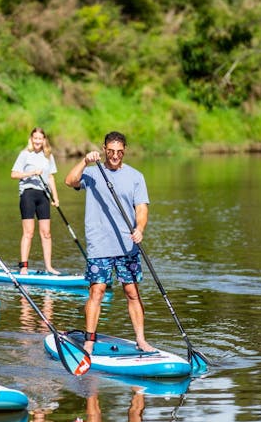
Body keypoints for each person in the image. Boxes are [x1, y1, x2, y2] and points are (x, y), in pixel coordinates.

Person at [64, 131, 155, 354]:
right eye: (111, 151)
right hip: (99, 244)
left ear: (124, 151)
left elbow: (141, 208)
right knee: (97, 291)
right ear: (105, 149)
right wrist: (85, 161)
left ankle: (141, 340)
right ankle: (89, 340)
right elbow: (69, 181)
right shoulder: (93, 174)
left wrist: (140, 228)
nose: (115, 156)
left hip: (127, 245)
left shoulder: (136, 177)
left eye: (119, 152)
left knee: (132, 292)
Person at [10, 127, 61, 275]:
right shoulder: (25, 154)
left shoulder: (48, 156)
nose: (38, 141)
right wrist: (31, 172)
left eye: (40, 138)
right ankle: (24, 266)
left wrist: (56, 197)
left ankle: (49, 267)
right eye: (35, 138)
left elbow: (51, 177)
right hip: (28, 194)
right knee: (29, 232)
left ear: (44, 140)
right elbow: (14, 174)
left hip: (44, 196)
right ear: (32, 139)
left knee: (46, 233)